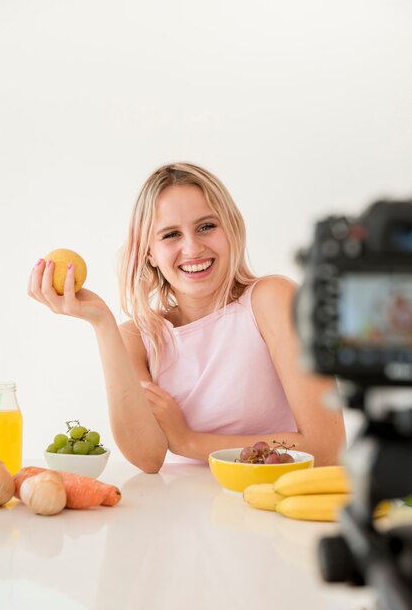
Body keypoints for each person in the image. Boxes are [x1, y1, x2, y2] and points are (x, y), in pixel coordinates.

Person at [28, 162, 346, 473]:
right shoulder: (137, 339)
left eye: (206, 226)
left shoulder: (272, 300)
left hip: (273, 511)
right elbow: (148, 457)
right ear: (148, 252)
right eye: (170, 235)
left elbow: (325, 448)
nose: (192, 248)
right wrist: (102, 323)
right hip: (179, 515)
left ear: (232, 229)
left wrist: (188, 442)